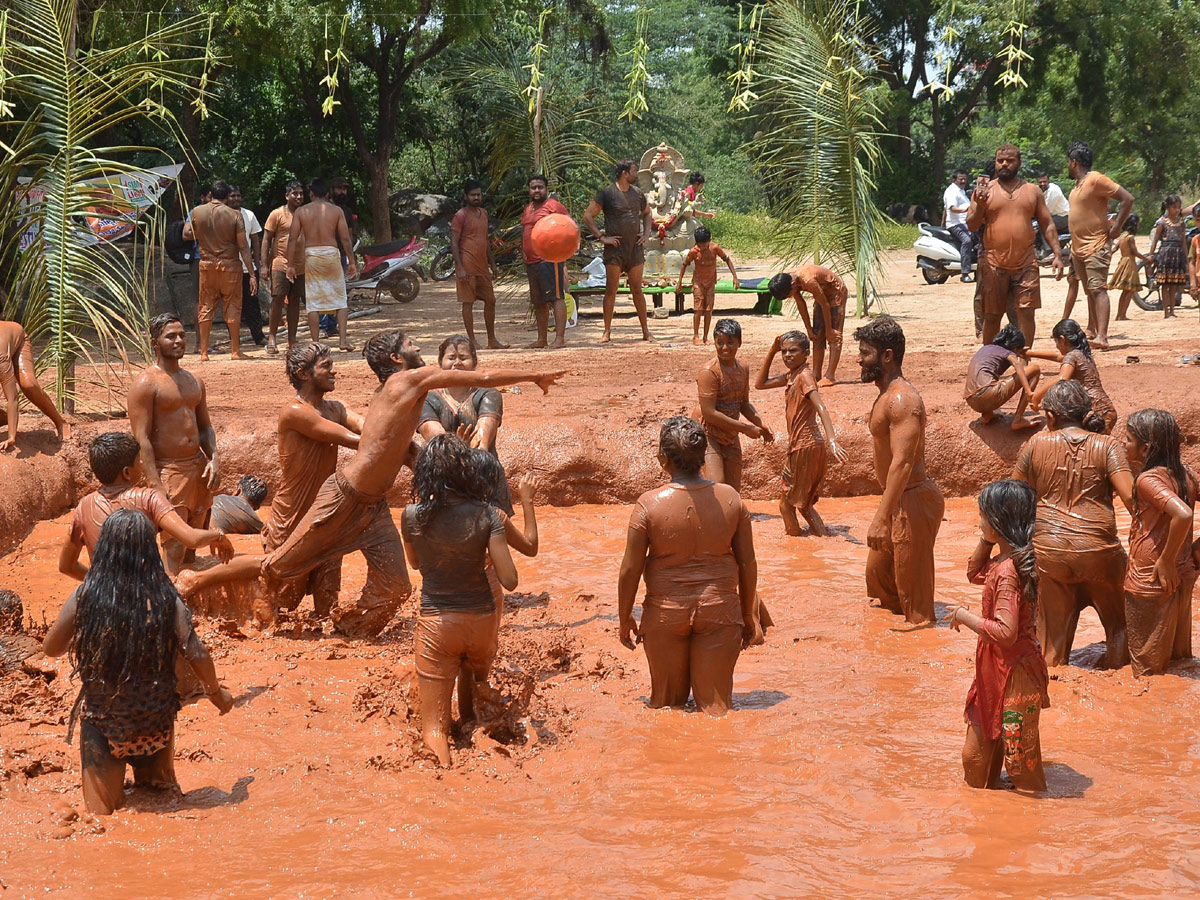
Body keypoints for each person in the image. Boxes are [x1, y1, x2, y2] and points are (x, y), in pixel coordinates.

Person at [175, 329, 564, 638]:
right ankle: (196, 580)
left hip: (373, 505)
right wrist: (533, 375)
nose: (421, 351)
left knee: (397, 587)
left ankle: (349, 631)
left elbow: (397, 446)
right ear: (398, 358)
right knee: (278, 569)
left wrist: (439, 463)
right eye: (412, 345)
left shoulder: (385, 396)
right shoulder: (406, 382)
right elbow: (478, 377)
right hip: (343, 498)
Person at [43, 509, 234, 816]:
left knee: (102, 817)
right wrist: (216, 694)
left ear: (104, 548)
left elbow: (51, 648)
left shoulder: (86, 596)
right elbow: (195, 651)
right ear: (150, 551)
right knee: (163, 802)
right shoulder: (165, 597)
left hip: (105, 725)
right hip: (155, 722)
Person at [617, 416, 762, 714]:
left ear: (662, 459)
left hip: (665, 615)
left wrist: (624, 618)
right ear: (703, 458)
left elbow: (630, 570)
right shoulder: (731, 499)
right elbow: (747, 563)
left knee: (666, 708)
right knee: (717, 710)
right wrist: (748, 614)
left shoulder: (648, 504)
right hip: (720, 611)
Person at [400, 434, 518, 765]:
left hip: (438, 622)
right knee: (472, 719)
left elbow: (415, 564)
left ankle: (446, 794)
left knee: (435, 731)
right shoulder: (488, 515)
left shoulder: (410, 516)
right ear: (465, 471)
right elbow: (509, 580)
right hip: (481, 620)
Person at [1013, 380, 1133, 668]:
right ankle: (1119, 683)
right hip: (1100, 552)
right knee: (1120, 628)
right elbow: (1132, 500)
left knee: (1051, 644)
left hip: (1050, 552)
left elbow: (1013, 499)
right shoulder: (1108, 446)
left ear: (1051, 417)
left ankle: (1055, 692)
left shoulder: (1035, 444)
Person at [946, 479, 1050, 792]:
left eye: (982, 516)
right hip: (999, 668)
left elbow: (1005, 632)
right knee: (977, 759)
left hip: (1013, 670)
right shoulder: (1007, 560)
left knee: (1021, 764)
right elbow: (973, 572)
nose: (978, 522)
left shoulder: (1007, 571)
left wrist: (965, 617)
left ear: (998, 522)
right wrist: (988, 537)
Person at [258, 342, 363, 619]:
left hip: (326, 514)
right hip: (291, 517)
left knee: (328, 605)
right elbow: (350, 438)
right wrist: (387, 443)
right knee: (277, 604)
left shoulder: (335, 408)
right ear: (304, 374)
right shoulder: (295, 411)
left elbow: (366, 426)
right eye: (326, 366)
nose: (334, 371)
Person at [856, 316, 945, 625]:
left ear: (887, 356)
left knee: (915, 598)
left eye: (865, 352)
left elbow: (903, 463)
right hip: (898, 500)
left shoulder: (902, 400)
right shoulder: (886, 396)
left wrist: (882, 517)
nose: (859, 359)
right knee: (879, 576)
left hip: (912, 500)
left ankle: (920, 645)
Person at [58, 432, 232, 581]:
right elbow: (192, 539)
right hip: (145, 598)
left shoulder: (83, 506)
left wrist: (99, 585)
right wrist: (219, 535)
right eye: (139, 461)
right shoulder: (148, 498)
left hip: (101, 600)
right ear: (127, 472)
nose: (143, 465)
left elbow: (66, 567)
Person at [127, 314, 220, 575]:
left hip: (198, 469)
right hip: (170, 471)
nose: (179, 340)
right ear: (155, 342)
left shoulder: (194, 381)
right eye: (171, 336)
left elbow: (205, 428)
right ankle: (170, 602)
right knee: (175, 543)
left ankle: (194, 605)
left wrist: (214, 458)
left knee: (195, 540)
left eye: (182, 335)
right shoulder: (146, 384)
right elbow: (141, 439)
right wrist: (155, 484)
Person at [1123, 409, 1197, 676]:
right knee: (1178, 662)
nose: (1124, 444)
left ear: (1146, 449)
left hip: (1150, 577)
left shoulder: (1147, 480)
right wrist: (1195, 553)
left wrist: (1165, 560)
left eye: (1129, 439)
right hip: (1183, 571)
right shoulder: (1186, 475)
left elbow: (1184, 514)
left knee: (1147, 670)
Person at [966, 144, 1063, 347]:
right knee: (992, 316)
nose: (1004, 164)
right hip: (993, 263)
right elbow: (972, 225)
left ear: (1018, 163)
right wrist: (980, 207)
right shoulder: (984, 191)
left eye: (1009, 161)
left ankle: (1024, 359)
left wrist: (1057, 254)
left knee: (1026, 314)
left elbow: (1047, 224)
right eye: (1000, 160)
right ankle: (989, 360)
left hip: (1026, 263)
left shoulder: (1033, 191)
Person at [753, 331, 846, 536]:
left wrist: (832, 440)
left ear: (806, 353)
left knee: (787, 507)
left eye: (792, 351)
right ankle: (822, 539)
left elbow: (821, 407)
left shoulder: (804, 376)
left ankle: (797, 544)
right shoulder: (791, 376)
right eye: (784, 352)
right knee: (803, 505)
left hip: (806, 445)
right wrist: (771, 350)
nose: (787, 355)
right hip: (802, 446)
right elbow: (760, 384)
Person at [417, 335, 513, 514]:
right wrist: (459, 447)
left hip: (484, 477)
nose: (457, 363)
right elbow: (437, 442)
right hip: (443, 482)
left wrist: (453, 447)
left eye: (463, 358)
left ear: (474, 362)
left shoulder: (489, 394)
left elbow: (481, 445)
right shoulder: (426, 399)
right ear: (440, 362)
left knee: (496, 535)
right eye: (451, 358)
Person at [1066, 140, 1135, 349]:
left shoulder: (1096, 179)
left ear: (1074, 162)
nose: (1067, 165)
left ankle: (1102, 337)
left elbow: (1127, 199)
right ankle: (1093, 330)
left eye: (1068, 162)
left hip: (1095, 245)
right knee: (1090, 290)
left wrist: (1116, 228)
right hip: (1079, 248)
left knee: (1098, 290)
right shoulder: (1078, 185)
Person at [694, 318, 773, 492]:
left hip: (730, 433)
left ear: (739, 343)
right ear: (714, 342)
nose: (724, 348)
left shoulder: (743, 368)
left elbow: (743, 403)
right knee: (719, 486)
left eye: (730, 343)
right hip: (709, 433)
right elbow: (709, 413)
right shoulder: (709, 372)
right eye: (720, 343)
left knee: (733, 490)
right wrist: (745, 428)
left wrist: (761, 423)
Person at [583, 159, 656, 343]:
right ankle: (606, 332)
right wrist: (601, 237)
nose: (637, 174)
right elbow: (588, 215)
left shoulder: (638, 194)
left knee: (637, 289)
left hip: (635, 248)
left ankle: (646, 331)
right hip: (614, 249)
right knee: (611, 289)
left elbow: (647, 214)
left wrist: (647, 234)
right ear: (625, 173)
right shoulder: (607, 193)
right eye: (634, 171)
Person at [188, 181, 255, 361]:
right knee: (233, 305)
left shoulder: (197, 212)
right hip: (230, 265)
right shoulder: (235, 215)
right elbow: (243, 246)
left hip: (206, 264)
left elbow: (187, 234)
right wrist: (252, 273)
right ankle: (235, 351)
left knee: (206, 305)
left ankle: (203, 352)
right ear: (226, 196)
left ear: (210, 194)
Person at [287, 178, 355, 351]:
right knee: (340, 300)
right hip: (331, 252)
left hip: (312, 255)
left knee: (313, 302)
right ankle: (342, 341)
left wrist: (290, 265)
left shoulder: (302, 211)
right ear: (327, 194)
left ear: (311, 194)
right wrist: (351, 261)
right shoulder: (336, 210)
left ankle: (316, 342)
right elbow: (346, 238)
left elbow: (293, 239)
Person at [1027, 319, 1117, 434]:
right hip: (1105, 407)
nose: (1056, 347)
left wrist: (1037, 397)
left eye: (1056, 342)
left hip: (1095, 412)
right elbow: (1058, 357)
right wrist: (1029, 353)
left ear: (1062, 340)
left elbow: (1062, 379)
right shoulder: (1082, 353)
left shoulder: (1072, 356)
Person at [766, 265, 848, 386]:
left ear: (793, 285)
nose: (791, 296)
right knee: (817, 333)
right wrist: (809, 329)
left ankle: (830, 375)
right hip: (821, 295)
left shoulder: (808, 280)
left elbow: (825, 305)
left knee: (834, 335)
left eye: (789, 295)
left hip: (835, 293)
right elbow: (800, 303)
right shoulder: (788, 279)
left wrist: (829, 330)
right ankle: (816, 373)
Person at [451, 180, 507, 350]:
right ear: (466, 196)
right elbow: (454, 243)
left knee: (491, 301)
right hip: (466, 265)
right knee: (468, 302)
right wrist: (459, 267)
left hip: (482, 266)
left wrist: (493, 264)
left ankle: (492, 340)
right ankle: (472, 341)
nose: (476, 197)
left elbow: (486, 241)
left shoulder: (484, 213)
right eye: (473, 195)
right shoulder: (460, 215)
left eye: (478, 194)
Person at [0, 319, 70, 451]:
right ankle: (3, 418)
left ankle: (61, 423)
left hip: (18, 339)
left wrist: (11, 437)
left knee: (29, 385)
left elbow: (12, 398)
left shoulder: (1, 357)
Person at [520, 174, 570, 350]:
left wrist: (562, 253)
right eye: (533, 187)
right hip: (531, 262)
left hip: (549, 260)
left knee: (556, 297)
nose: (536, 190)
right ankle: (542, 339)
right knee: (538, 301)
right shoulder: (528, 209)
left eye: (540, 187)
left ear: (546, 189)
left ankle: (560, 338)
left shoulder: (554, 206)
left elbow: (569, 227)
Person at [963, 324, 1041, 430]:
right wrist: (1028, 391)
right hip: (988, 394)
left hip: (971, 400)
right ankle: (1018, 419)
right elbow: (1018, 366)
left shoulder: (987, 348)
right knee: (1035, 368)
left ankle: (987, 415)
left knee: (989, 378)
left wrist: (1018, 352)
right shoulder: (1008, 353)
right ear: (1015, 348)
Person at [261, 181, 306, 355]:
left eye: (301, 193)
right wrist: (264, 265)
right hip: (280, 263)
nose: (299, 197)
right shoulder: (277, 214)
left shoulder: (305, 214)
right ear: (287, 196)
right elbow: (266, 240)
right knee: (278, 298)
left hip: (301, 265)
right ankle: (272, 337)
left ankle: (292, 339)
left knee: (295, 300)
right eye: (295, 193)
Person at [677, 225, 738, 346]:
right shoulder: (694, 252)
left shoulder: (715, 248)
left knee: (709, 310)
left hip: (710, 282)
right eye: (699, 245)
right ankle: (696, 336)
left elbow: (727, 259)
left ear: (709, 241)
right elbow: (685, 264)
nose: (701, 248)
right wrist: (679, 282)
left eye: (704, 245)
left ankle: (705, 337)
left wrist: (735, 277)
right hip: (698, 282)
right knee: (698, 309)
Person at [228, 186, 266, 346]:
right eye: (232, 196)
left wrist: (258, 264)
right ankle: (234, 339)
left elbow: (255, 240)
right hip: (229, 268)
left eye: (238, 195)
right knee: (231, 304)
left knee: (252, 303)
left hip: (247, 268)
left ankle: (258, 336)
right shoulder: (222, 216)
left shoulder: (249, 215)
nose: (236, 199)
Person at [1148, 194, 1188, 319]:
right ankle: (1166, 311)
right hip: (1165, 255)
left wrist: (1186, 259)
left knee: (1173, 285)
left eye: (1179, 207)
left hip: (1177, 255)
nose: (1177, 210)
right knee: (1165, 285)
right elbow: (1155, 241)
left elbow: (1183, 242)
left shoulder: (1181, 224)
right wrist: (1151, 256)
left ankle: (1172, 311)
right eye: (1174, 207)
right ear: (1168, 207)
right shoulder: (1162, 223)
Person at [1110, 214, 1145, 321]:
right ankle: (1122, 315)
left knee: (1125, 291)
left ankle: (1119, 314)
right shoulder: (1130, 238)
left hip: (1123, 262)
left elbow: (1114, 249)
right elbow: (1135, 252)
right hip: (1130, 263)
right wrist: (1147, 259)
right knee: (1129, 290)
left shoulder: (1122, 236)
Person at [943, 170, 975, 283]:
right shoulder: (952, 191)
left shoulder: (962, 191)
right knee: (967, 241)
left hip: (965, 223)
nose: (963, 181)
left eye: (964, 179)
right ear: (954, 180)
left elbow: (944, 210)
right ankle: (965, 273)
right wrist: (966, 209)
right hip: (956, 224)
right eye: (960, 179)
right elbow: (952, 208)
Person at [1036, 172, 1070, 238]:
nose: (1042, 184)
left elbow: (1047, 211)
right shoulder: (1040, 189)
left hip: (1063, 217)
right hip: (1054, 216)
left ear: (1048, 181)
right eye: (1040, 182)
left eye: (1044, 182)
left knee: (1043, 224)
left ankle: (1048, 247)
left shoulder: (1053, 191)